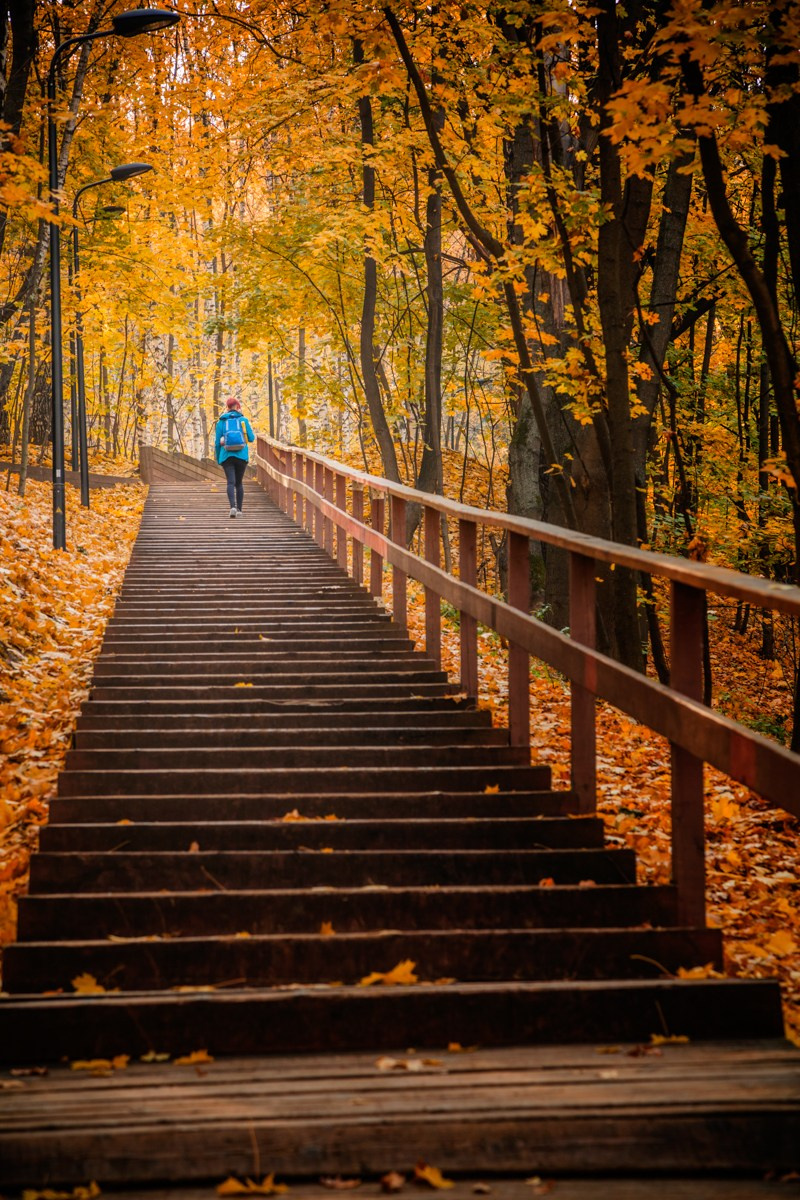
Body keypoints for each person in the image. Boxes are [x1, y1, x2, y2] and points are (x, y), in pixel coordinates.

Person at [215, 396, 255, 518]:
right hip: (241, 456)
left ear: (227, 408)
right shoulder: (243, 420)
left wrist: (218, 458)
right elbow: (252, 438)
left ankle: (232, 507)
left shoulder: (221, 421)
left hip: (226, 456)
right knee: (239, 483)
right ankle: (239, 510)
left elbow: (217, 442)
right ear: (237, 407)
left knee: (230, 482)